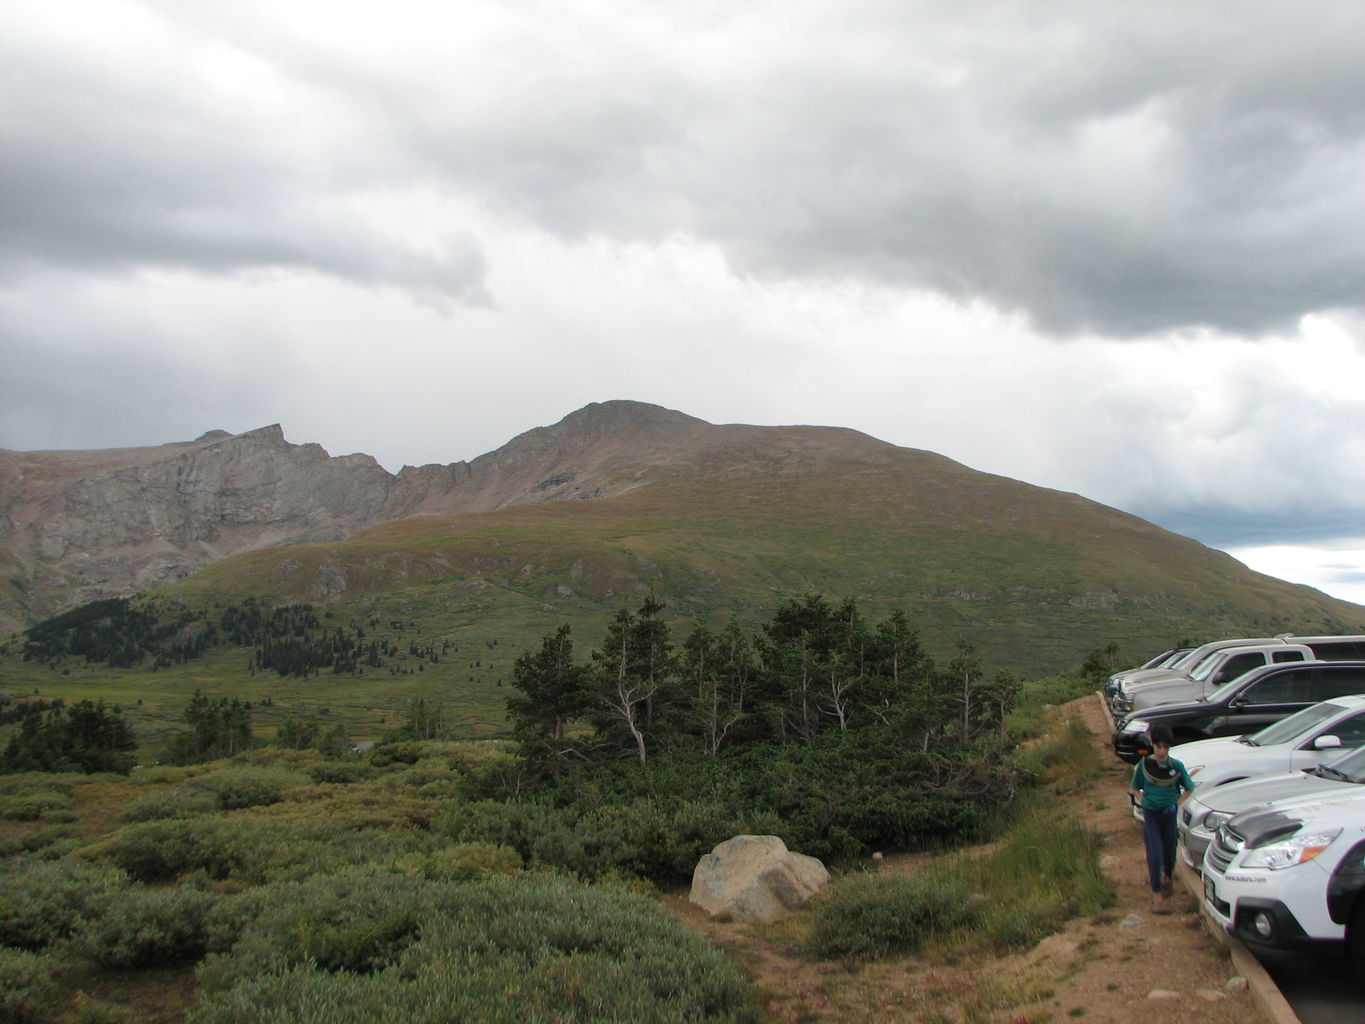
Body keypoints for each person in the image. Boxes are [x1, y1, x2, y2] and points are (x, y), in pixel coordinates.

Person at [1127, 723, 1195, 914]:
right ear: (1153, 745)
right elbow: (1135, 787)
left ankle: (1167, 876)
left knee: (1170, 851)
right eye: (1158, 747)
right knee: (1154, 852)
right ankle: (1156, 893)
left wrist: (1178, 802)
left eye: (1165, 747)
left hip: (1169, 813)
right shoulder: (1145, 765)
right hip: (1152, 814)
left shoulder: (1176, 766)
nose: (1161, 751)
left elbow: (1189, 787)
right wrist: (1143, 801)